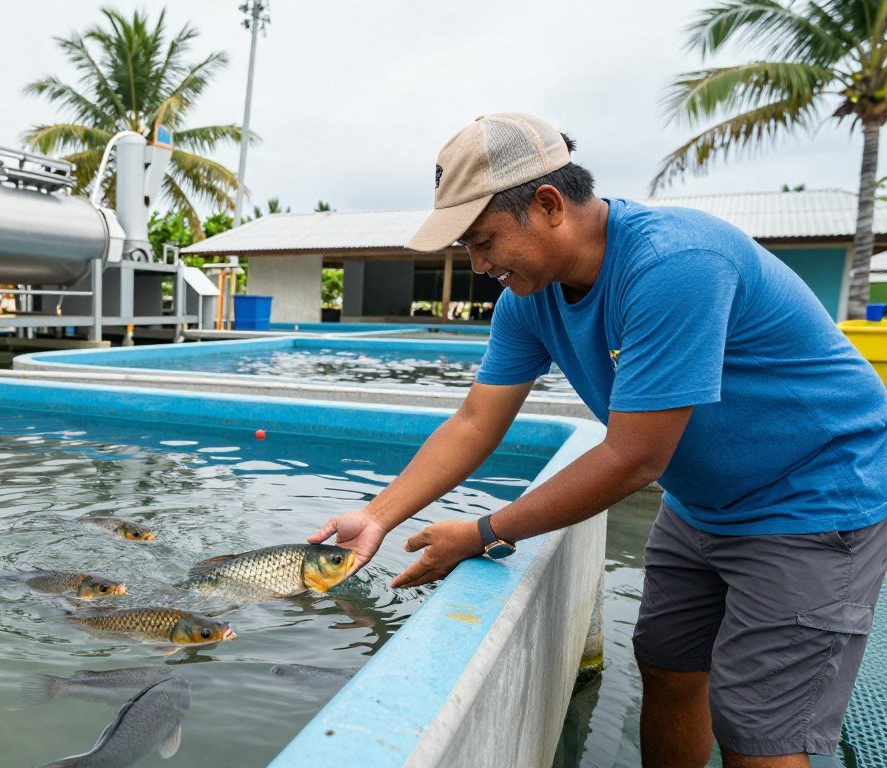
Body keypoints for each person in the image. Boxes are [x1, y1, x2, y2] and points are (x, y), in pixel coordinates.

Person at [308, 113, 887, 768]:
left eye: (484, 240)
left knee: (758, 728)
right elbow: (475, 421)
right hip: (701, 504)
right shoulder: (529, 296)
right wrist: (377, 517)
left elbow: (635, 457)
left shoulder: (675, 265)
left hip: (812, 499)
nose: (478, 264)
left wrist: (482, 532)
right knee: (668, 667)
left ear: (549, 205)